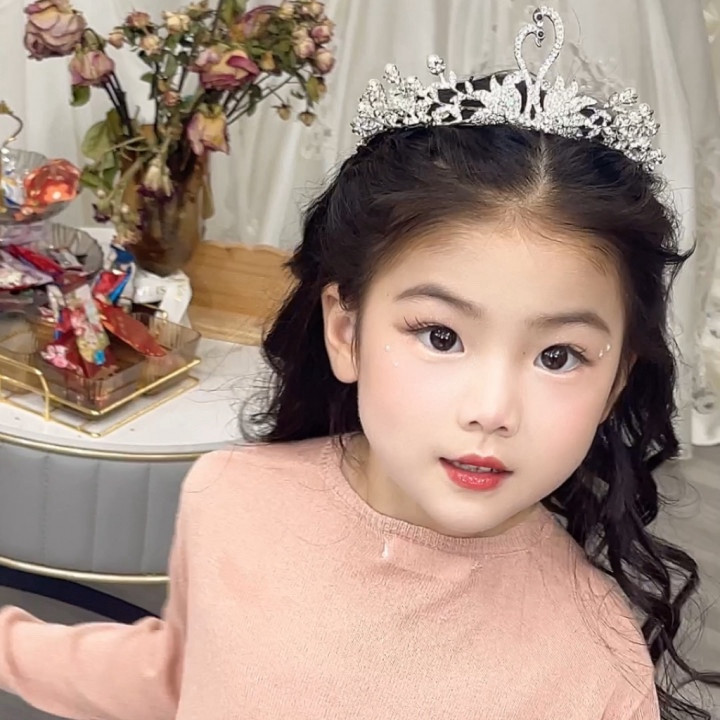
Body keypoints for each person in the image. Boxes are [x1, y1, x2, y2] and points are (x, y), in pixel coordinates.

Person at [0, 6, 718, 719]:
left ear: (616, 382)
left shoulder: (594, 671)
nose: (492, 411)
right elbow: (181, 671)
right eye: (441, 336)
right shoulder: (230, 495)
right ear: (346, 332)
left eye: (558, 356)